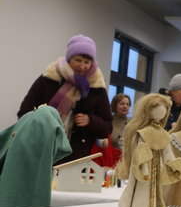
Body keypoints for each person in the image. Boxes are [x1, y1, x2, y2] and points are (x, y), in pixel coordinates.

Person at [17, 34, 112, 164]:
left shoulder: (97, 88)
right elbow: (24, 113)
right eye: (78, 60)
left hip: (76, 157)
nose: (82, 66)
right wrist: (44, 119)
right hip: (42, 148)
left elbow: (107, 128)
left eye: (87, 62)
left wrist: (90, 120)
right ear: (68, 58)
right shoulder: (49, 79)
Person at [117, 93, 181, 207]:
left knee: (155, 186)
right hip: (145, 163)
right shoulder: (142, 133)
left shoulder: (162, 133)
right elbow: (141, 152)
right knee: (142, 186)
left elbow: (166, 150)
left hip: (157, 165)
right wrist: (143, 166)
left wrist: (172, 162)